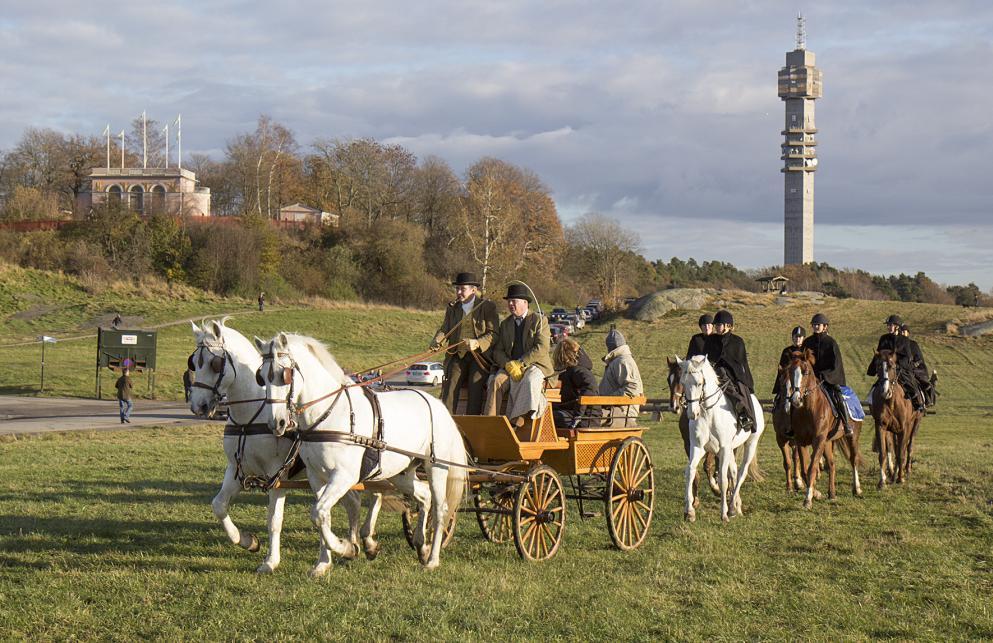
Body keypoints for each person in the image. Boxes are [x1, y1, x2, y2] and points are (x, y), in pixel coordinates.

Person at [430, 272, 500, 415]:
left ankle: (471, 425)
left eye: (463, 289)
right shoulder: (452, 308)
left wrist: (478, 343)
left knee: (475, 387)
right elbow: (445, 328)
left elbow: (494, 334)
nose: (459, 292)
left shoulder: (487, 307)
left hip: (479, 357)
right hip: (458, 354)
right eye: (457, 289)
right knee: (450, 387)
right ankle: (446, 421)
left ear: (473, 290)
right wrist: (437, 340)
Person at [484, 283, 553, 427]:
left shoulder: (539, 320)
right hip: (510, 367)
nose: (510, 304)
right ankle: (490, 423)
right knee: (495, 382)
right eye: (509, 301)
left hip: (534, 365)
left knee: (529, 381)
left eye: (513, 301)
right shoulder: (506, 324)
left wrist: (521, 363)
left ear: (525, 303)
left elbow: (542, 347)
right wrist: (508, 365)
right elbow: (498, 351)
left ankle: (516, 421)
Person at [704, 310, 756, 431]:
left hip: (734, 375)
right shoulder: (710, 340)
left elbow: (742, 363)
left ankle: (743, 412)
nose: (716, 327)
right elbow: (706, 358)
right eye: (715, 325)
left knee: (723, 373)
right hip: (712, 373)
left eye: (718, 325)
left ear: (728, 326)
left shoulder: (737, 341)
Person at [801, 313, 852, 436]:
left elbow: (836, 365)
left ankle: (846, 424)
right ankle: (793, 425)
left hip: (827, 379)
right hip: (810, 380)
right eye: (814, 325)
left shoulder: (831, 342)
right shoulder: (807, 342)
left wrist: (825, 375)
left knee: (837, 395)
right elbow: (803, 362)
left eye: (818, 325)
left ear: (825, 327)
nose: (816, 327)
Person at [867, 314, 924, 412]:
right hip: (887, 368)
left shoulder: (904, 340)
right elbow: (879, 354)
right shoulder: (883, 338)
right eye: (888, 325)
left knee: (910, 384)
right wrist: (873, 367)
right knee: (875, 388)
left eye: (890, 325)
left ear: (897, 326)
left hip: (900, 368)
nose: (888, 327)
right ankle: (872, 404)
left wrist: (896, 365)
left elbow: (907, 357)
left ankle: (918, 403)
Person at [599, 327, 644, 426]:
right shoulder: (618, 360)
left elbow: (632, 387)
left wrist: (608, 400)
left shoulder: (623, 361)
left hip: (621, 411)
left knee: (591, 420)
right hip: (613, 410)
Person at [552, 337, 598, 428]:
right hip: (572, 412)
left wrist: (578, 416)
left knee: (548, 418)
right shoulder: (569, 371)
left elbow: (590, 387)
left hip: (586, 418)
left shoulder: (578, 370)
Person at [901, 324, 934, 407]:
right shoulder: (898, 345)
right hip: (903, 369)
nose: (902, 333)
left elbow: (919, 359)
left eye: (903, 331)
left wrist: (913, 365)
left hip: (916, 368)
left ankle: (927, 398)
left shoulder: (913, 344)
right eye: (900, 331)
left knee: (919, 380)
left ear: (908, 333)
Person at [772, 325, 806, 400]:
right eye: (796, 336)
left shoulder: (806, 351)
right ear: (792, 337)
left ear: (803, 338)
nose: (797, 339)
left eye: (800, 337)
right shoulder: (786, 351)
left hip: (803, 382)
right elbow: (782, 367)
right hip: (789, 380)